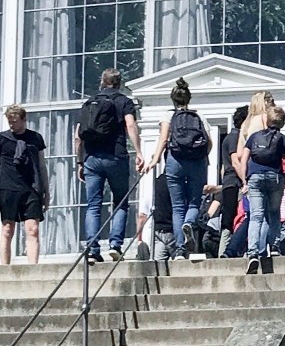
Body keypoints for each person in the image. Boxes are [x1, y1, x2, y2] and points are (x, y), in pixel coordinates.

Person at [74, 69, 141, 263]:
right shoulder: (124, 102)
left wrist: (80, 161)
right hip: (115, 156)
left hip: (92, 158)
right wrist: (138, 151)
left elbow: (78, 136)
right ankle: (115, 245)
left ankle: (92, 249)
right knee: (120, 201)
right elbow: (130, 125)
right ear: (119, 83)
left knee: (93, 205)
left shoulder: (89, 102)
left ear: (102, 82)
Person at [145, 77, 211, 259]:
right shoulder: (199, 116)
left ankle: (180, 249)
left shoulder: (168, 116)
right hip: (197, 161)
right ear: (188, 99)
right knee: (194, 202)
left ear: (173, 99)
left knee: (177, 206)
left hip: (174, 161)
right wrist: (202, 157)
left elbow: (164, 139)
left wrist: (155, 159)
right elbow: (209, 142)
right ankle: (189, 223)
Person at [0, 106, 49, 265]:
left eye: (15, 121)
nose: (12, 125)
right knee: (8, 229)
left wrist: (46, 192)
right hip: (9, 188)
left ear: (23, 120)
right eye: (9, 122)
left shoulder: (35, 138)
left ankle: (32, 267)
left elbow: (42, 166)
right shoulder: (0, 139)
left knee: (33, 229)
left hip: (31, 188)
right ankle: (5, 267)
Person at [237, 102, 285, 274]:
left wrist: (244, 182)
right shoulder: (284, 140)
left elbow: (243, 161)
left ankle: (253, 253)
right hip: (275, 178)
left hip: (254, 178)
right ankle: (274, 247)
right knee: (274, 213)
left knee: (256, 216)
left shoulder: (254, 137)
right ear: (282, 123)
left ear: (266, 120)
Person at [217, 103, 248, 243]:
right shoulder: (236, 138)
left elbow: (223, 168)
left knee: (229, 217)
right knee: (233, 218)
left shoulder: (229, 137)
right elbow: (236, 161)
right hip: (234, 182)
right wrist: (244, 181)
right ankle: (226, 249)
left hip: (228, 181)